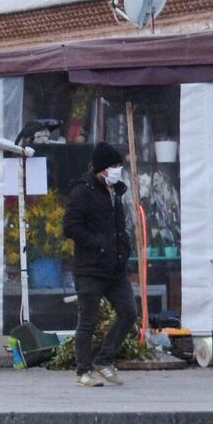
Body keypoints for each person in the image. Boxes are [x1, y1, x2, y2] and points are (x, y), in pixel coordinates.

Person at [63, 142, 135, 387]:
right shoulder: (82, 192)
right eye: (115, 166)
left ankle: (104, 359)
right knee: (88, 321)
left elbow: (118, 226)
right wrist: (98, 243)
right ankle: (83, 371)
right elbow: (70, 226)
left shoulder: (116, 191)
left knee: (129, 313)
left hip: (115, 267)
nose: (118, 170)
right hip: (90, 268)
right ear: (103, 168)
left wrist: (124, 249)